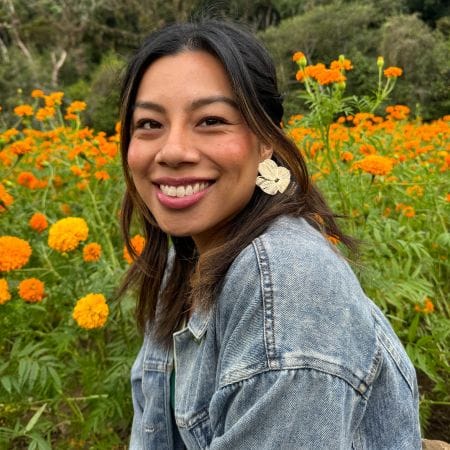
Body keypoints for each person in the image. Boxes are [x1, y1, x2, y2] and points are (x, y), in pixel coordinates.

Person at [118, 19, 422, 449]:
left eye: (210, 120)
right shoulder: (181, 260)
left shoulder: (286, 281)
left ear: (266, 140)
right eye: (149, 124)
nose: (172, 152)